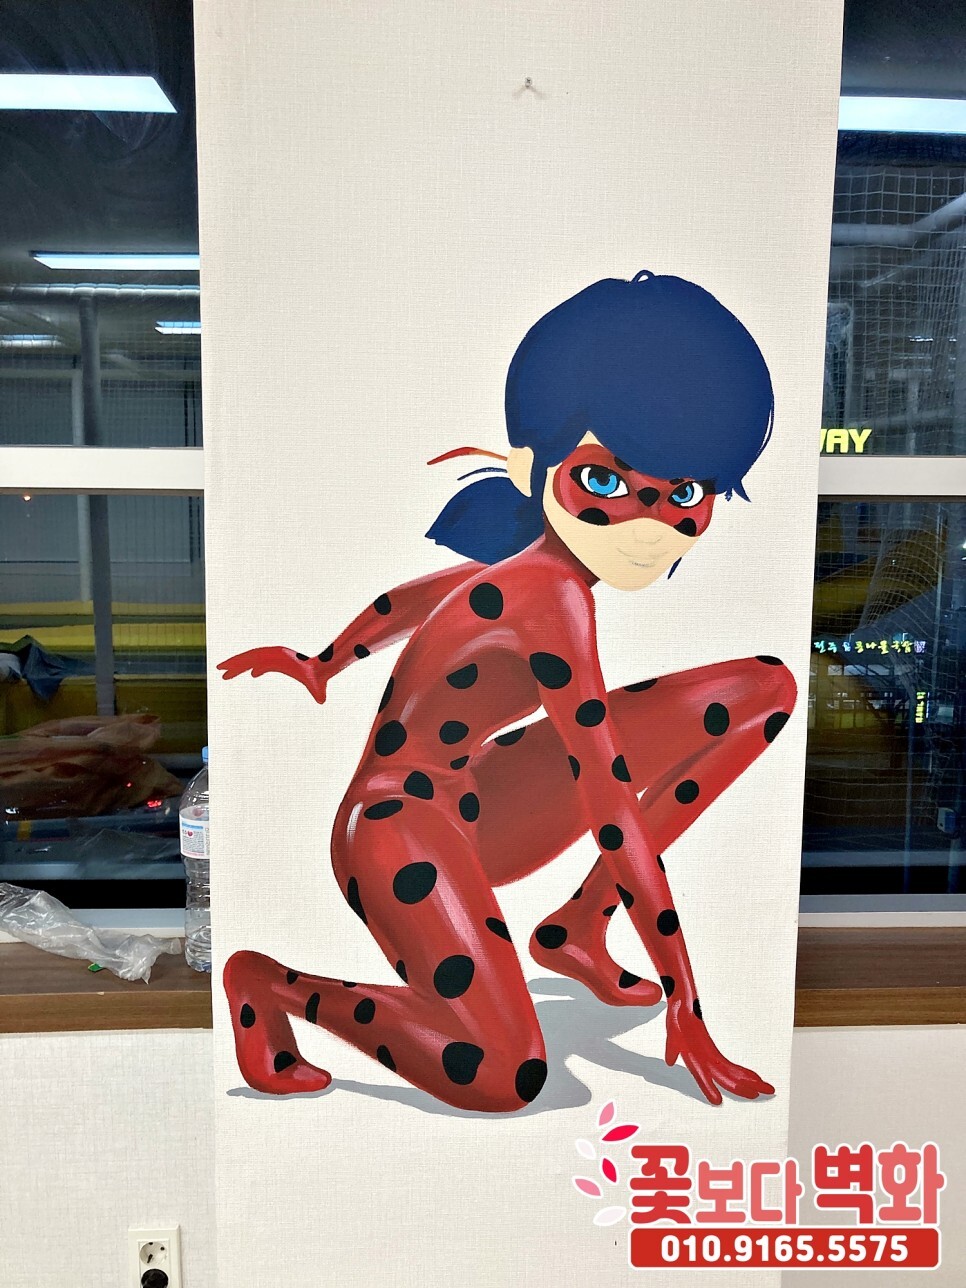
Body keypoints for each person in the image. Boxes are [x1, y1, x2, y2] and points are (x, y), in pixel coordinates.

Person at [220, 271, 796, 1112]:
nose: (648, 527)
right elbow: (611, 806)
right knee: (503, 1074)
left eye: (682, 496)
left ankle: (577, 928)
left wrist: (325, 662)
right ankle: (271, 986)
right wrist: (687, 1003)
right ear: (532, 464)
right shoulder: (551, 599)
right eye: (606, 484)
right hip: (397, 832)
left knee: (764, 690)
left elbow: (421, 599)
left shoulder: (532, 568)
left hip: (483, 799)